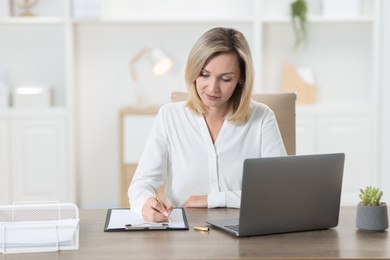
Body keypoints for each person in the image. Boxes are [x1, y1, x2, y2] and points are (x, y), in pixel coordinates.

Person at [128, 27, 286, 222]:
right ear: (193, 72)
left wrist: (212, 200)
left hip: (245, 231)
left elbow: (278, 190)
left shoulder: (262, 118)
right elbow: (141, 183)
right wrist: (145, 202)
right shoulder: (169, 116)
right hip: (185, 235)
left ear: (241, 79)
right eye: (204, 75)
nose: (212, 88)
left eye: (225, 79)